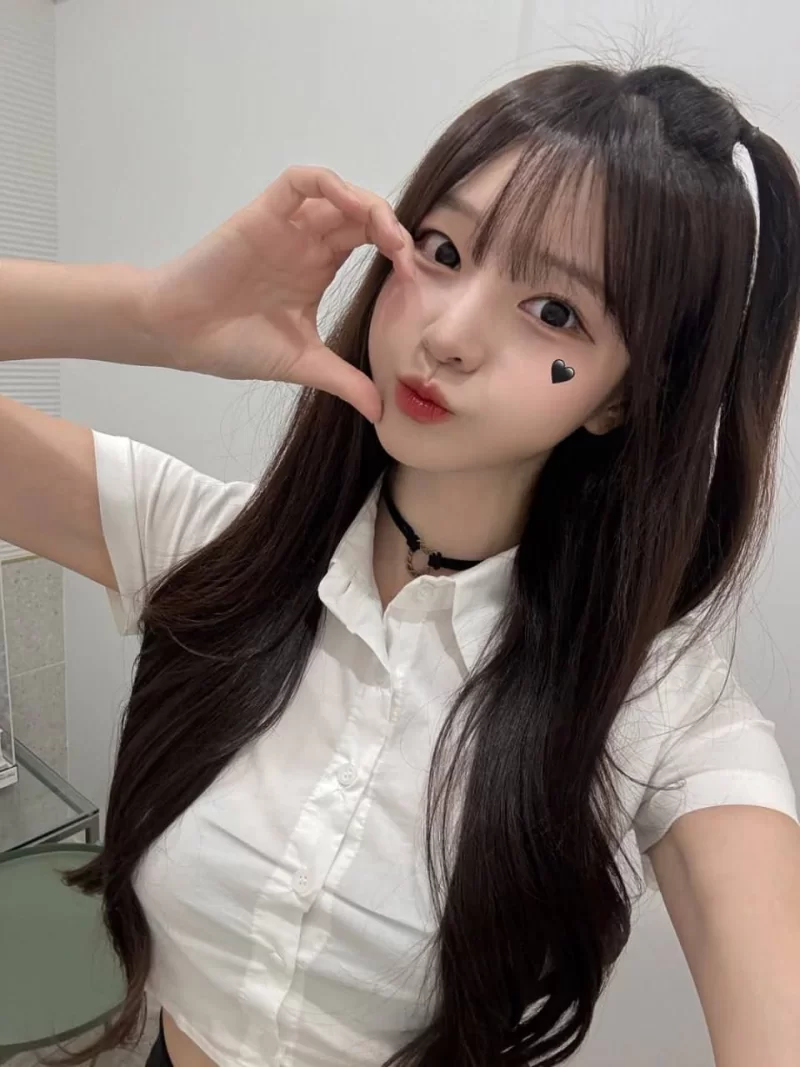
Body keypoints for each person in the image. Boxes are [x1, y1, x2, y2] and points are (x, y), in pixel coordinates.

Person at [3, 59, 800, 1067]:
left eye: (555, 312)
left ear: (618, 397)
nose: (448, 333)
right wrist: (153, 315)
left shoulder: (654, 708)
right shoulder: (216, 547)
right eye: (443, 249)